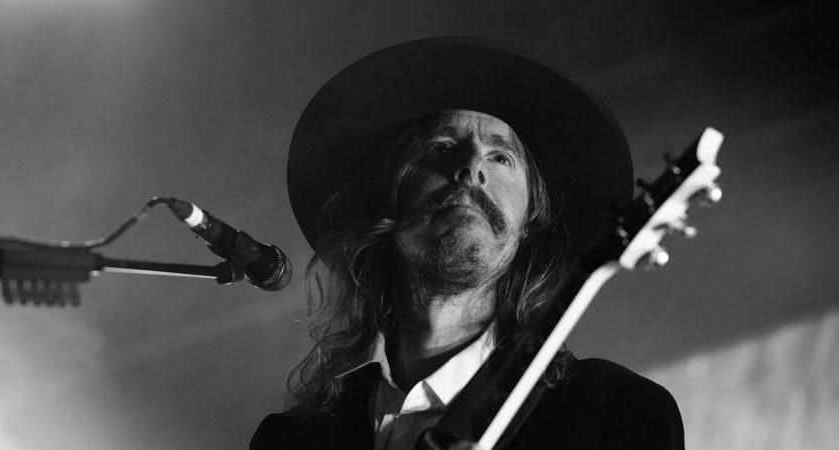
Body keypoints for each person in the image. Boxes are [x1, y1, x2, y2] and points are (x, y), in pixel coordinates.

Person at [251, 37, 684, 449]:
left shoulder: (615, 412)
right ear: (387, 198)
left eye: (501, 157)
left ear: (531, 218)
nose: (472, 167)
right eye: (441, 149)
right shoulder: (292, 441)